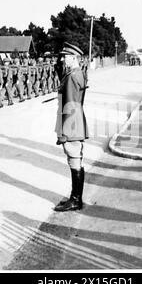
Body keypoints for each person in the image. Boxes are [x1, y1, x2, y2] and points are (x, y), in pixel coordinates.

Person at [54, 42, 89, 212]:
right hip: (75, 122)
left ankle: (76, 200)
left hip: (71, 124)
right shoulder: (76, 73)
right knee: (75, 159)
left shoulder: (72, 76)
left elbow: (70, 104)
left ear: (73, 57)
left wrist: (64, 132)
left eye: (65, 56)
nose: (62, 59)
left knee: (74, 159)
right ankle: (75, 197)